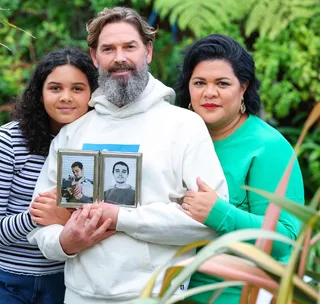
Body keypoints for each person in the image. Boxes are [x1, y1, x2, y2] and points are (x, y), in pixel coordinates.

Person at [28, 7, 229, 304]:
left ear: (147, 51)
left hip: (158, 296)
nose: (119, 57)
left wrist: (120, 217)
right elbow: (42, 220)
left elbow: (210, 220)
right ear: (95, 58)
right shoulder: (75, 132)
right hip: (79, 296)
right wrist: (65, 242)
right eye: (108, 49)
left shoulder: (184, 126)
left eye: (129, 47)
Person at [175, 34, 305, 303]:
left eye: (222, 83)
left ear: (243, 87)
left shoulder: (268, 147)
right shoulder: (175, 137)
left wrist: (218, 213)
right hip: (170, 289)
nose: (209, 93)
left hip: (239, 294)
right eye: (199, 83)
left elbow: (284, 239)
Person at [0, 47, 98, 303]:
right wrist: (36, 217)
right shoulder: (10, 140)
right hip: (1, 278)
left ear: (93, 94)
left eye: (77, 88)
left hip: (63, 280)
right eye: (55, 88)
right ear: (39, 93)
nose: (66, 97)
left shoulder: (96, 145)